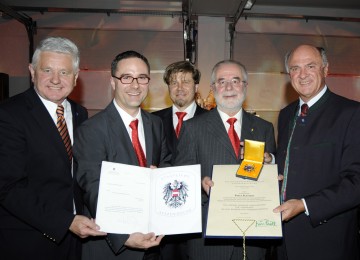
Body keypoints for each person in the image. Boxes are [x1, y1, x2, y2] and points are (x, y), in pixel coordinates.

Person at [0, 36, 106, 260]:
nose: (56, 79)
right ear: (32, 71)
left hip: (75, 240)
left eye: (65, 72)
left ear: (76, 77)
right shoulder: (9, 114)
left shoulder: (80, 113)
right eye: (47, 70)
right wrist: (65, 221)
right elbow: (8, 187)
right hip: (29, 241)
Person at [73, 50, 171, 260]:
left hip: (153, 244)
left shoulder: (156, 124)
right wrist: (124, 235)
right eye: (126, 77)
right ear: (113, 82)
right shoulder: (91, 130)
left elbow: (166, 165)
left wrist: (161, 177)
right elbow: (93, 189)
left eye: (142, 78)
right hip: (112, 248)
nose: (135, 85)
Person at [174, 59, 276, 260]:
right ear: (212, 88)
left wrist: (270, 161)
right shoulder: (193, 128)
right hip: (208, 239)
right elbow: (180, 178)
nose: (229, 87)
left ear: (245, 86)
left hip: (253, 237)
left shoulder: (264, 128)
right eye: (221, 81)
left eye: (236, 80)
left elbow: (273, 180)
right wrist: (198, 182)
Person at [273, 44, 360, 260]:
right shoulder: (285, 115)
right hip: (282, 242)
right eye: (295, 68)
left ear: (325, 69)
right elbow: (294, 163)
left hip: (327, 241)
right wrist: (271, 161)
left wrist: (305, 205)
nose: (302, 74)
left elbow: (356, 182)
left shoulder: (351, 114)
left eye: (310, 66)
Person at [152, 61, 207, 259]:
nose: (180, 88)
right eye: (174, 82)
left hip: (198, 219)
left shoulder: (212, 122)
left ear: (197, 86)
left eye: (185, 82)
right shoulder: (152, 121)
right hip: (160, 221)